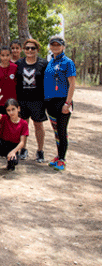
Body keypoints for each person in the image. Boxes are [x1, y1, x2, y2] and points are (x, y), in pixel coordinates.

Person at [44, 36, 76, 171]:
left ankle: (62, 159)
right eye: (53, 45)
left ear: (63, 46)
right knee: (56, 132)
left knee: (62, 132)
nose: (55, 47)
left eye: (58, 45)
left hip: (63, 101)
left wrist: (67, 103)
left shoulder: (68, 62)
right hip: (50, 102)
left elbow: (72, 84)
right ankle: (58, 155)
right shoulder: (50, 61)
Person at [15, 38, 48, 163]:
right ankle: (23, 149)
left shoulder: (43, 64)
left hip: (38, 100)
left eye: (32, 48)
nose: (30, 50)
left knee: (38, 125)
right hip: (22, 100)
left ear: (37, 50)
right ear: (24, 50)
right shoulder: (19, 63)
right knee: (23, 125)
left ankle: (40, 151)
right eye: (27, 48)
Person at [0, 90, 29, 176]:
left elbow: (22, 142)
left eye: (13, 109)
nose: (11, 112)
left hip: (13, 147)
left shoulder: (23, 123)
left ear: (18, 109)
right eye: (8, 110)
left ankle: (10, 163)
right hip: (3, 144)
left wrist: (14, 152)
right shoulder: (5, 118)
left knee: (13, 163)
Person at [0, 46, 18, 138]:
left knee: (12, 123)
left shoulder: (15, 67)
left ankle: (10, 144)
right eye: (2, 55)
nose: (5, 57)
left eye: (7, 55)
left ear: (10, 55)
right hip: (0, 101)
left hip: (12, 101)